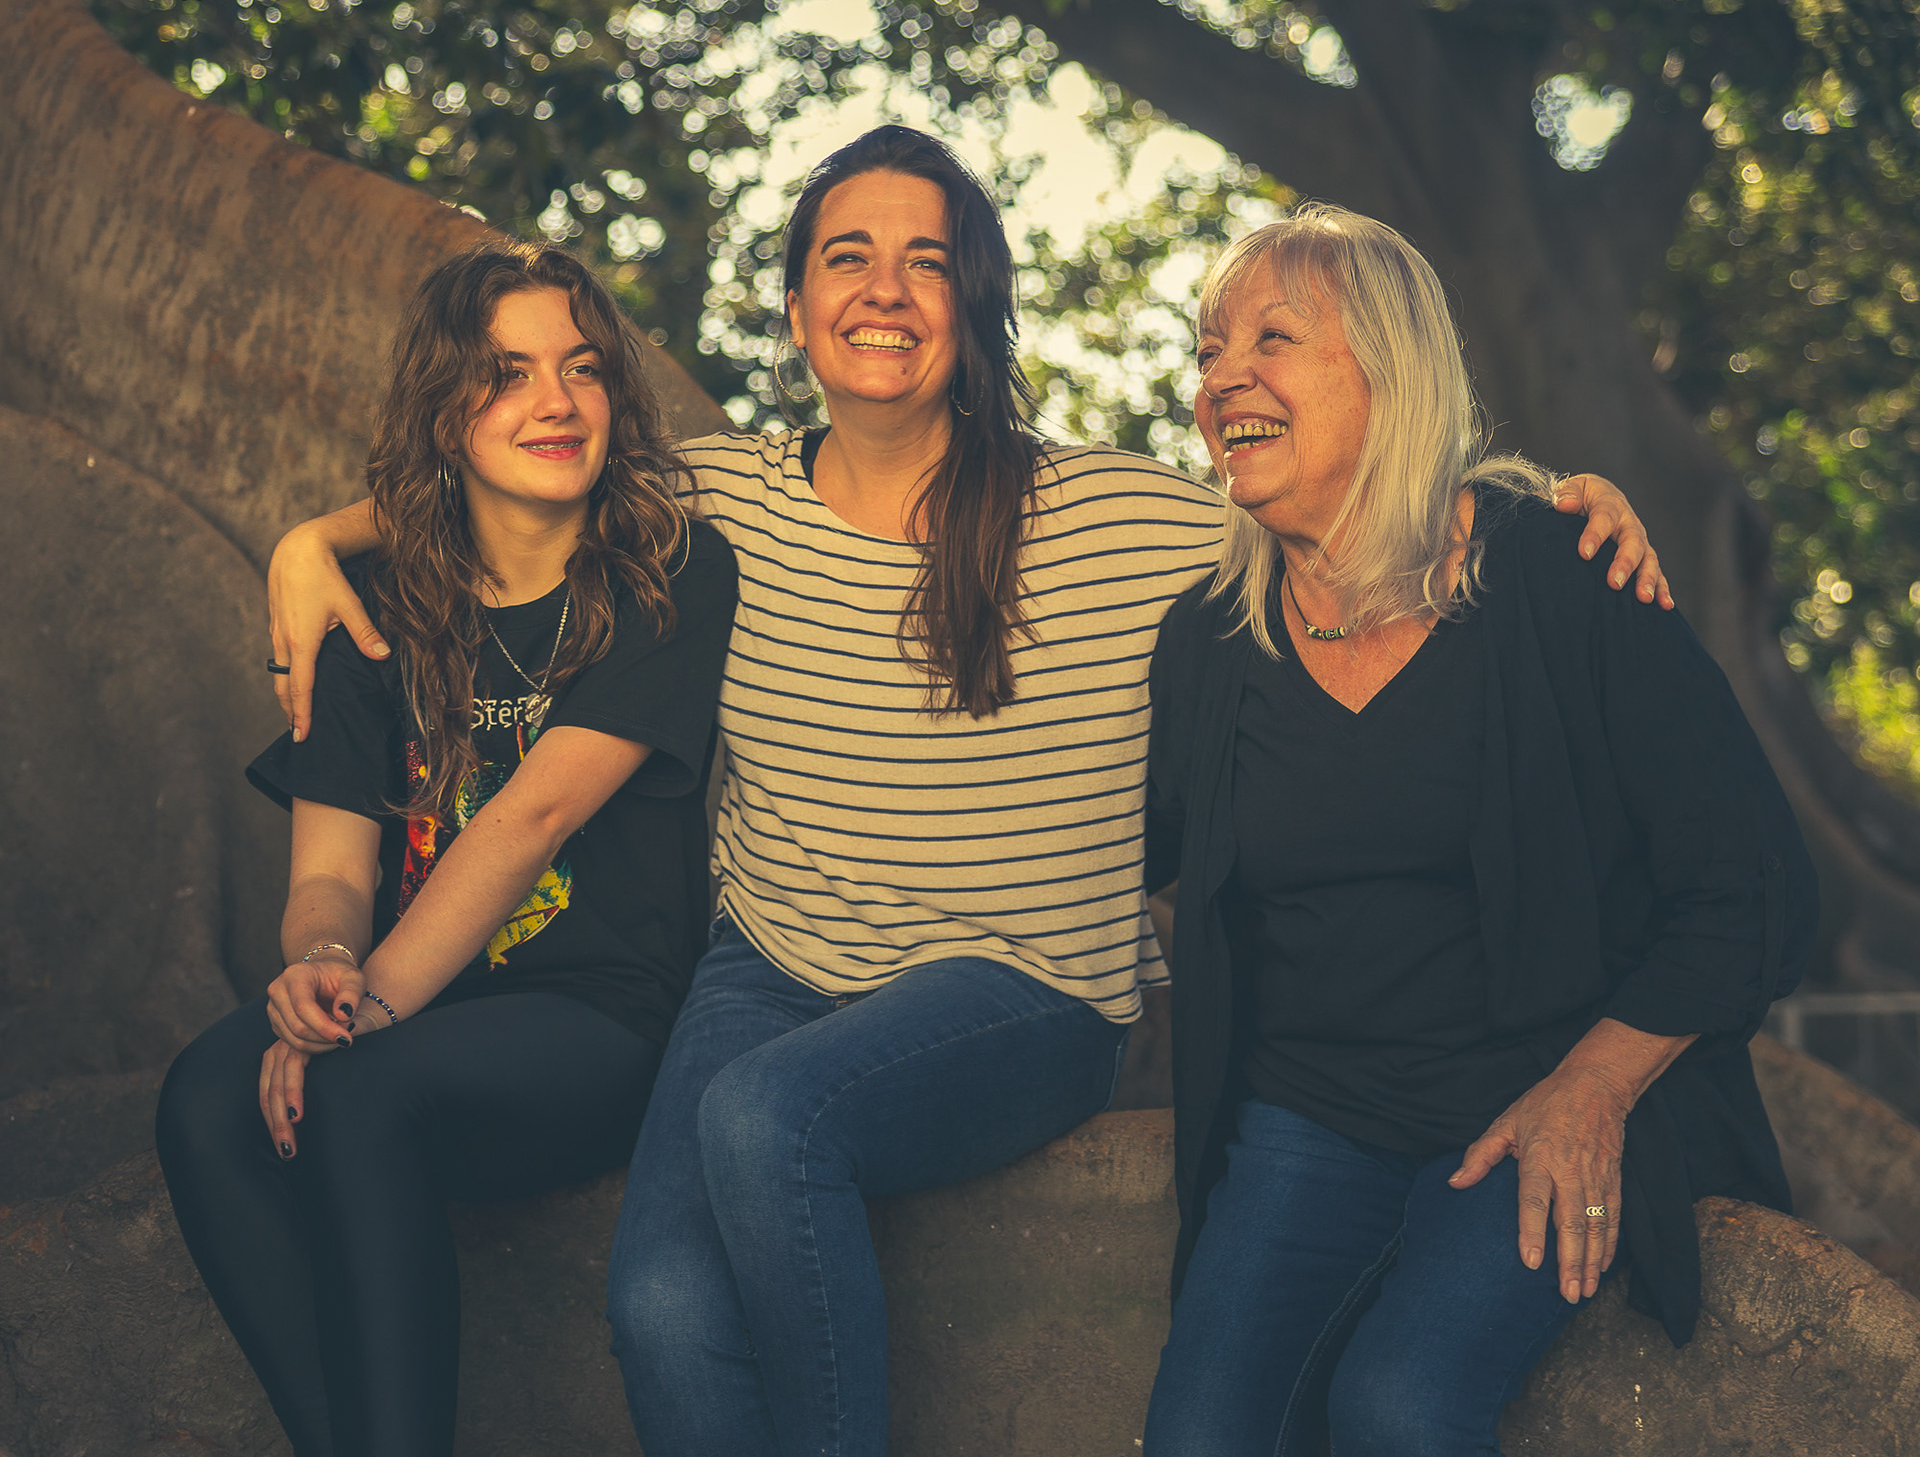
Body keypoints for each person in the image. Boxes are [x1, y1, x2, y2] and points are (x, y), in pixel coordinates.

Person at [263, 129, 1669, 1457]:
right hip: (772, 973)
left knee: (771, 1120)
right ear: (800, 312)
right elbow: (507, 460)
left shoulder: (1120, 516)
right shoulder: (710, 503)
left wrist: (1550, 497)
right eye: (846, 259)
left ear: (971, 307)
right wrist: (313, 540)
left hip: (1024, 982)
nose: (885, 290)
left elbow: (1356, 486)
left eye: (925, 261)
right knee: (662, 1306)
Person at [1140, 205, 1817, 1457]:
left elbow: (1753, 885)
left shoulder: (1568, 577)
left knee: (1398, 1409)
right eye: (1207, 350)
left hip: (1535, 1100)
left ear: (1390, 371)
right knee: (1198, 1438)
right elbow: (1114, 846)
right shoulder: (1210, 640)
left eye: (1271, 339)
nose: (1221, 374)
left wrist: (1594, 1088)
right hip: (1310, 1113)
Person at [155, 241, 738, 1457]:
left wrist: (366, 1016)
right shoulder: (372, 604)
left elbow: (536, 817)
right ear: (442, 410)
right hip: (419, 1001)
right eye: (507, 374)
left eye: (581, 369)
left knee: (356, 1084)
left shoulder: (667, 570)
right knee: (206, 1099)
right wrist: (320, 962)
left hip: (603, 1016)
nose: (556, 402)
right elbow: (331, 866)